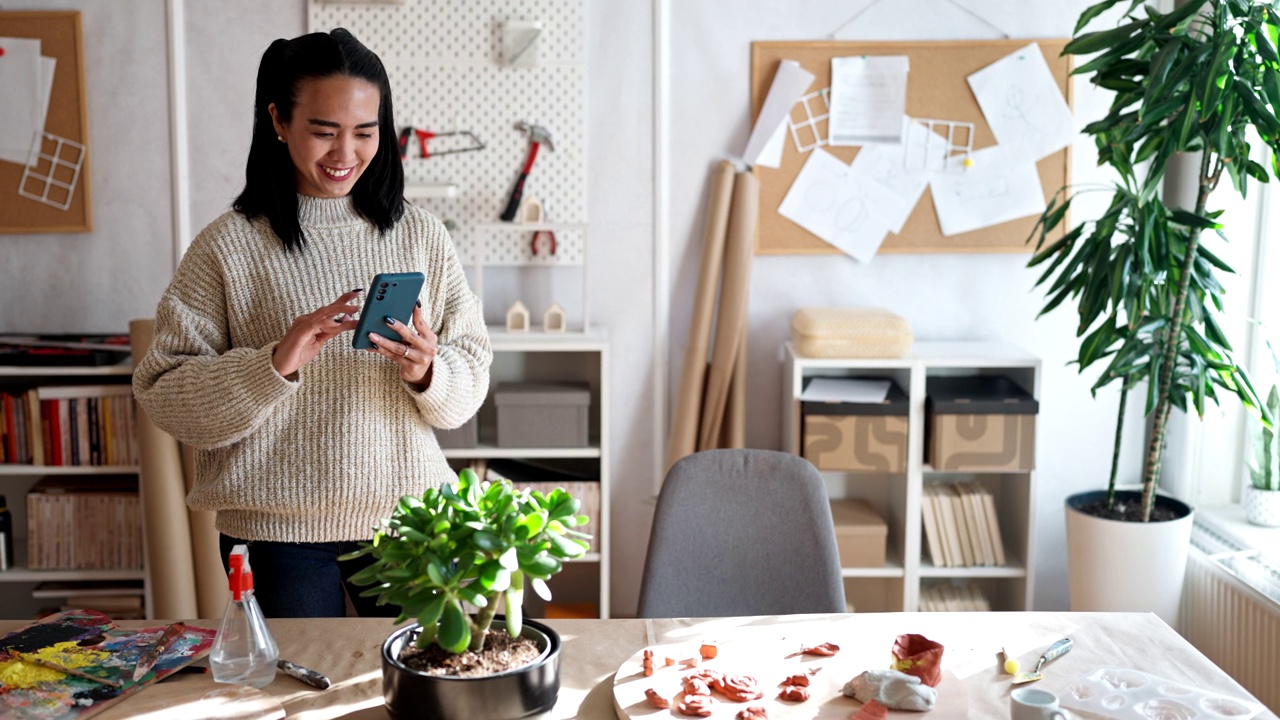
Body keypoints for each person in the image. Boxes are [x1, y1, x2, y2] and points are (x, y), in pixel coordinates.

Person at [133, 28, 492, 618]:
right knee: (299, 701)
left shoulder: (420, 234)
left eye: (365, 132)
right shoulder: (229, 246)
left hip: (407, 520)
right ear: (277, 120)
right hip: (275, 535)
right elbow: (164, 393)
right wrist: (275, 363)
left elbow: (470, 380)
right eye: (324, 131)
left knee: (415, 693)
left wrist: (430, 372)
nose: (345, 153)